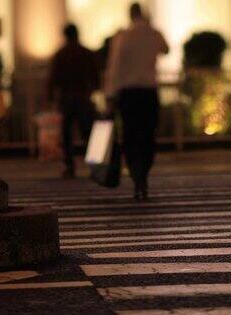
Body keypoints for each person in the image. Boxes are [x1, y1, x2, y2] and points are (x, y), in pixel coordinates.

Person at [105, 3, 169, 201]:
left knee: (130, 135)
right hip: (149, 91)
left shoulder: (122, 37)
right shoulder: (154, 33)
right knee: (148, 134)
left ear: (130, 15)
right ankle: (145, 174)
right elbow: (166, 49)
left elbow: (114, 68)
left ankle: (136, 175)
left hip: (128, 93)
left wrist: (110, 95)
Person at [47, 23, 99, 179]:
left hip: (67, 97)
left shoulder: (60, 55)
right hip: (83, 96)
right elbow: (95, 76)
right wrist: (92, 91)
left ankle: (69, 166)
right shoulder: (86, 53)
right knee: (87, 133)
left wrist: (50, 98)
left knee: (67, 134)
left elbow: (53, 78)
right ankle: (94, 166)